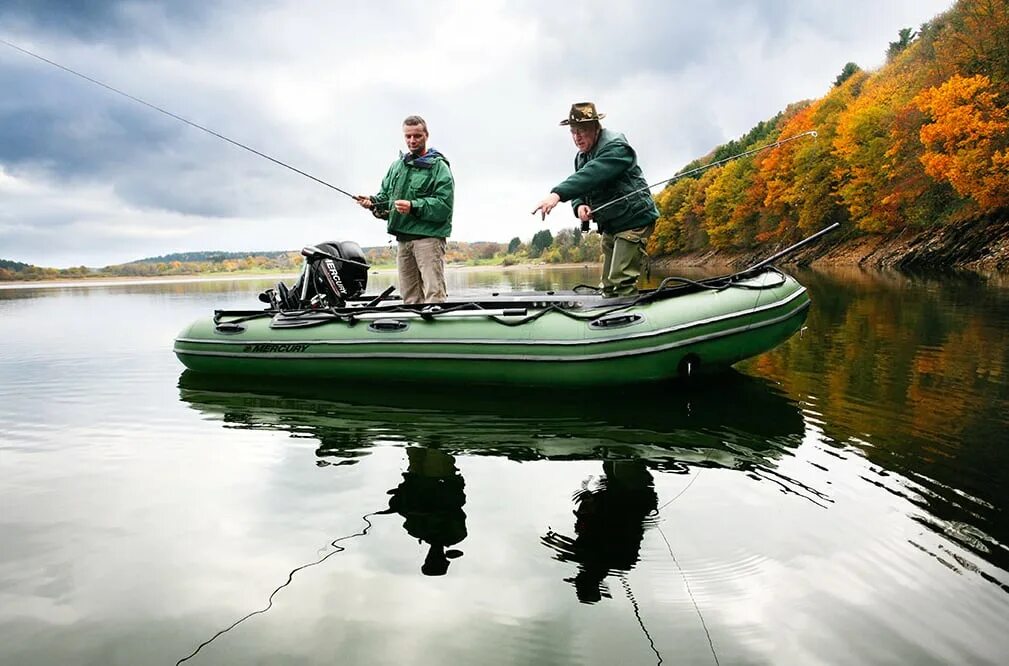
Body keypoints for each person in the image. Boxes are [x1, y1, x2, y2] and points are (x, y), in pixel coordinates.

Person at [532, 102, 658, 298]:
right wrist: (579, 206)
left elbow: (591, 175)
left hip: (634, 220)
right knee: (607, 285)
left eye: (582, 130)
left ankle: (627, 320)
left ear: (596, 127)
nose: (577, 137)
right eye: (573, 132)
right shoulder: (581, 156)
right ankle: (609, 316)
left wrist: (556, 194)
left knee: (621, 280)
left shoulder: (616, 147)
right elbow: (582, 188)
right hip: (612, 224)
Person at [356, 115, 454, 304]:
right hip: (403, 240)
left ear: (426, 135)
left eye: (417, 136)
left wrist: (413, 206)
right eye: (408, 136)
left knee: (434, 293)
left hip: (429, 239)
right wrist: (372, 202)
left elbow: (444, 206)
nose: (412, 140)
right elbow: (385, 200)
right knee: (409, 296)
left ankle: (439, 330)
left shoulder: (439, 167)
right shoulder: (396, 166)